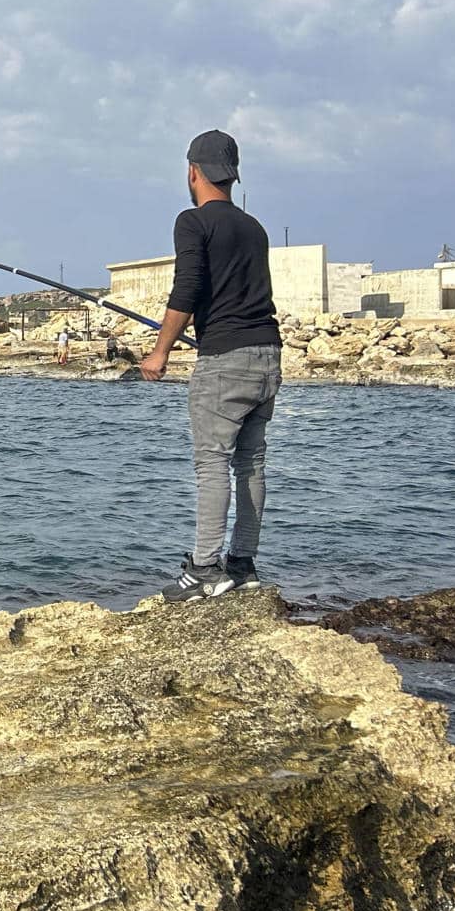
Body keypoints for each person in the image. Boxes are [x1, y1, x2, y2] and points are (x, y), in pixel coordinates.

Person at [139, 131, 282, 600]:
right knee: (252, 463)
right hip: (267, 355)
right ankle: (242, 564)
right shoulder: (255, 228)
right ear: (232, 175)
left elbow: (188, 289)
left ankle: (204, 570)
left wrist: (160, 351)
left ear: (193, 172)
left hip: (224, 362)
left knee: (212, 464)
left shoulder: (192, 222)